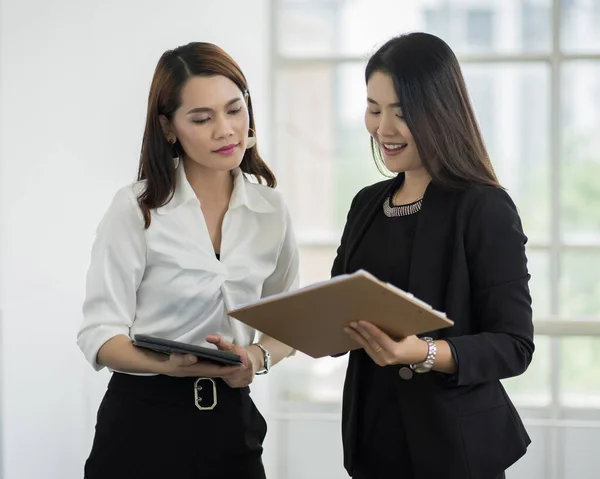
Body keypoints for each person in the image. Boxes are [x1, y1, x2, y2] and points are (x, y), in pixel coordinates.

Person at [77, 42, 299, 479]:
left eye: (235, 110)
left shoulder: (271, 210)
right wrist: (167, 364)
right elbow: (99, 334)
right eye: (202, 118)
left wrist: (254, 358)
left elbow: (286, 325)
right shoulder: (136, 209)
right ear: (168, 127)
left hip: (232, 425)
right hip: (142, 423)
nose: (225, 130)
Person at [332, 32, 535, 479]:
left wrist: (421, 352)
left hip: (455, 452)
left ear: (438, 112)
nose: (383, 128)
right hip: (374, 443)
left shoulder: (483, 206)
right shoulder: (366, 204)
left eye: (402, 113)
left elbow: (513, 346)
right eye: (374, 108)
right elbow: (339, 307)